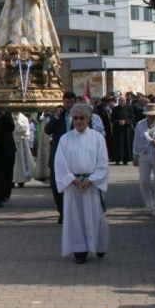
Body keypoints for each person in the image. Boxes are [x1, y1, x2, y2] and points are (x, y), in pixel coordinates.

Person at [53, 104, 109, 264]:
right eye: (75, 118)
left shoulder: (98, 138)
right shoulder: (65, 139)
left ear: (88, 118)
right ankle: (79, 249)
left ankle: (98, 245)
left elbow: (103, 162)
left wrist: (92, 179)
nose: (78, 121)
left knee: (95, 216)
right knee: (75, 218)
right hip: (73, 185)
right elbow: (60, 163)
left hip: (92, 185)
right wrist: (72, 179)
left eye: (82, 118)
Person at [45, 92, 77, 224]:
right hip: (58, 155)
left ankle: (70, 213)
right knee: (56, 185)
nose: (69, 105)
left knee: (72, 184)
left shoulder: (79, 116)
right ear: (63, 102)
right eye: (66, 102)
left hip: (74, 156)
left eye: (71, 102)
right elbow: (48, 130)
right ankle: (62, 211)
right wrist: (57, 115)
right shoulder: (57, 116)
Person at [0, 109, 16, 207]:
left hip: (8, 148)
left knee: (8, 173)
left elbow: (11, 127)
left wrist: (4, 115)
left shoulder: (7, 113)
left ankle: (5, 194)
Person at [12, 111, 35, 187]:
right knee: (13, 162)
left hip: (22, 142)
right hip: (13, 141)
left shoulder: (24, 118)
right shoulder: (10, 116)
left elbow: (24, 129)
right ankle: (12, 179)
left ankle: (22, 180)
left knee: (22, 162)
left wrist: (17, 120)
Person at [111, 96, 134, 165]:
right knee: (117, 145)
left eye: (123, 100)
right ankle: (117, 159)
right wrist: (118, 121)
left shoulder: (129, 108)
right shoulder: (115, 109)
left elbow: (132, 118)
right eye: (120, 100)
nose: (122, 102)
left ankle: (126, 160)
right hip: (117, 130)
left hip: (126, 130)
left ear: (126, 101)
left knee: (126, 144)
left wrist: (126, 121)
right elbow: (112, 119)